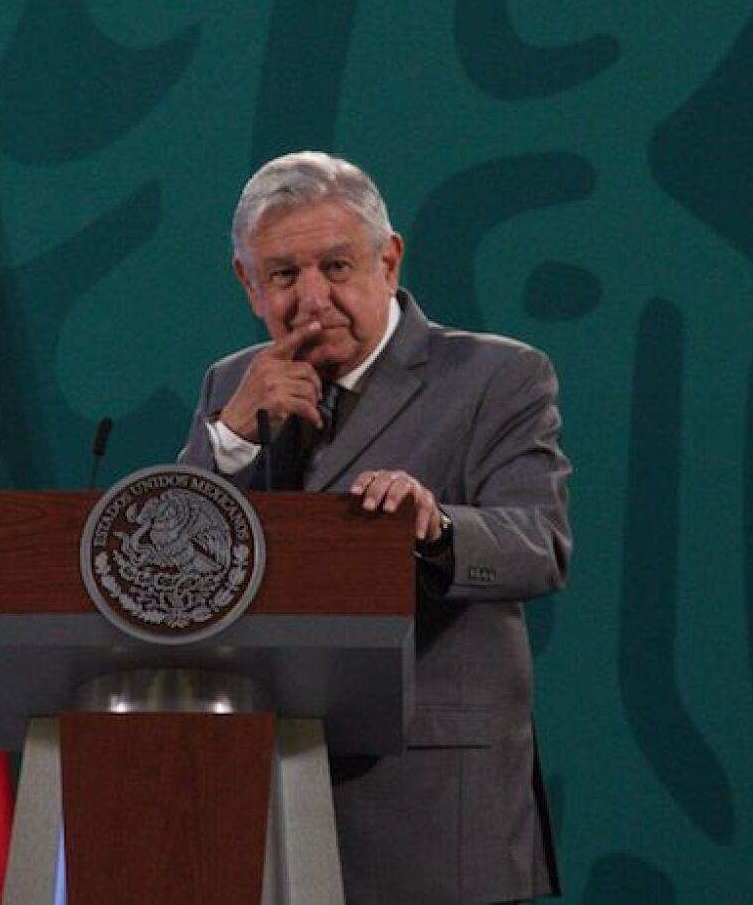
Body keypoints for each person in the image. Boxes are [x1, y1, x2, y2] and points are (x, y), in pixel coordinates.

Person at [179, 151, 571, 903]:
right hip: (260, 799)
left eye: (336, 265)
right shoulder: (231, 385)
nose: (314, 299)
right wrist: (229, 434)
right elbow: (169, 566)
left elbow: (539, 541)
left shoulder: (497, 377)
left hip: (431, 802)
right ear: (247, 283)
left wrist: (437, 528)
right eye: (284, 276)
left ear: (389, 260)